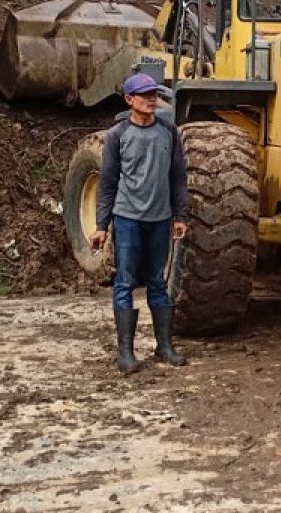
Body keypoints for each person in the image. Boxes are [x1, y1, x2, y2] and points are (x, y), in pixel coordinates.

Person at [90, 73, 190, 373]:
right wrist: (101, 225)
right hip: (128, 219)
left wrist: (180, 215)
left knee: (157, 281)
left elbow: (178, 178)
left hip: (159, 220)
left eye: (154, 94)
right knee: (125, 281)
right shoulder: (118, 136)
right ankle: (125, 353)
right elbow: (107, 184)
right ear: (129, 99)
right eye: (144, 94)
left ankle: (165, 346)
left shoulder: (168, 132)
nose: (151, 99)